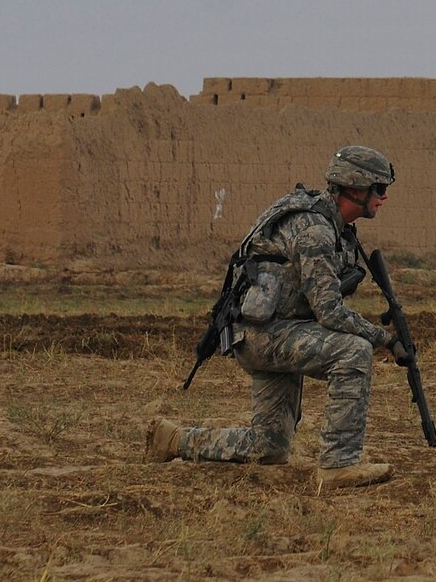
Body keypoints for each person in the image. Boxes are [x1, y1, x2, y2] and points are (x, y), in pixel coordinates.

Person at [147, 145, 405, 490]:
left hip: (270, 330)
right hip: (264, 334)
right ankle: (339, 464)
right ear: (356, 188)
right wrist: (384, 339)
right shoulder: (314, 229)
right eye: (380, 189)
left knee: (269, 447)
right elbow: (329, 311)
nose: (384, 198)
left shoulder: (332, 225)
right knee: (354, 351)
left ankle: (174, 440)